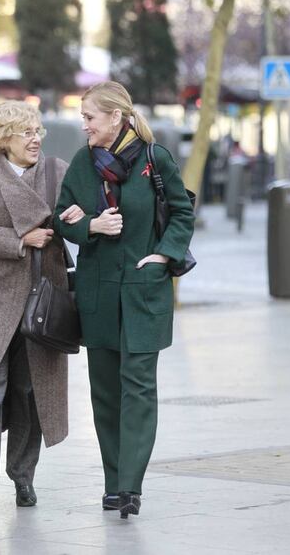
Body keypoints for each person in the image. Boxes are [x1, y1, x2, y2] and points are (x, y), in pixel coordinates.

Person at [55, 81, 195, 519]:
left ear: (116, 117)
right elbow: (63, 216)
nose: (85, 125)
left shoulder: (155, 160)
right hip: (98, 294)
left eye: (90, 117)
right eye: (83, 118)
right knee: (105, 394)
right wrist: (90, 227)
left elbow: (182, 212)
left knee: (138, 388)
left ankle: (130, 486)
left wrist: (163, 256)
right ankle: (112, 482)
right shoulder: (82, 164)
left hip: (143, 291)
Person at [0, 100, 76, 513]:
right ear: (4, 138)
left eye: (38, 130)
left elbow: (75, 218)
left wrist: (75, 220)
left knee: (29, 391)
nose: (36, 138)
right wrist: (20, 239)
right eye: (26, 132)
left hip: (43, 295)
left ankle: (23, 476)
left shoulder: (56, 172)